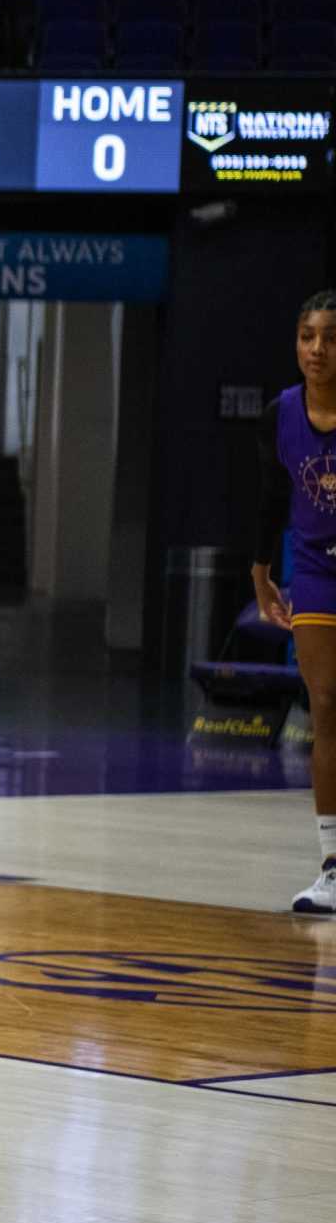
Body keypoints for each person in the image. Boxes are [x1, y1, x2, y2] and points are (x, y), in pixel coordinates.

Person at [250, 289, 336, 916]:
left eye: (330, 338)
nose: (318, 350)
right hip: (313, 569)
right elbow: (264, 497)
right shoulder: (282, 412)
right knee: (325, 704)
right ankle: (332, 867)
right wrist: (260, 572)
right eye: (309, 336)